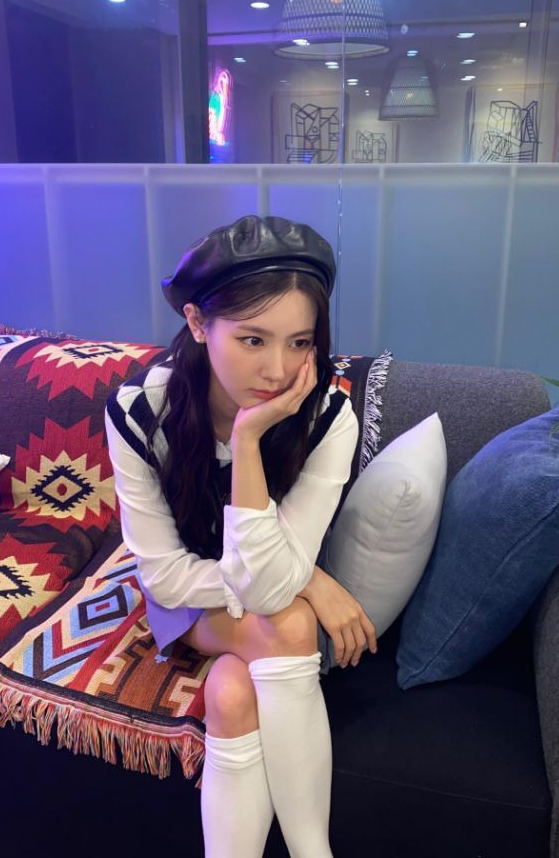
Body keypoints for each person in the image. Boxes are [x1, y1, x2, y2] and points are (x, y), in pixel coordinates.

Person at [104, 214, 378, 858]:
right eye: (253, 339)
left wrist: (250, 441)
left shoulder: (329, 416)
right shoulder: (141, 412)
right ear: (199, 323)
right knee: (287, 624)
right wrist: (307, 580)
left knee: (230, 691)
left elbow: (270, 586)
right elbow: (167, 576)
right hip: (188, 603)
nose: (278, 370)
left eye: (299, 342)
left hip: (263, 591)